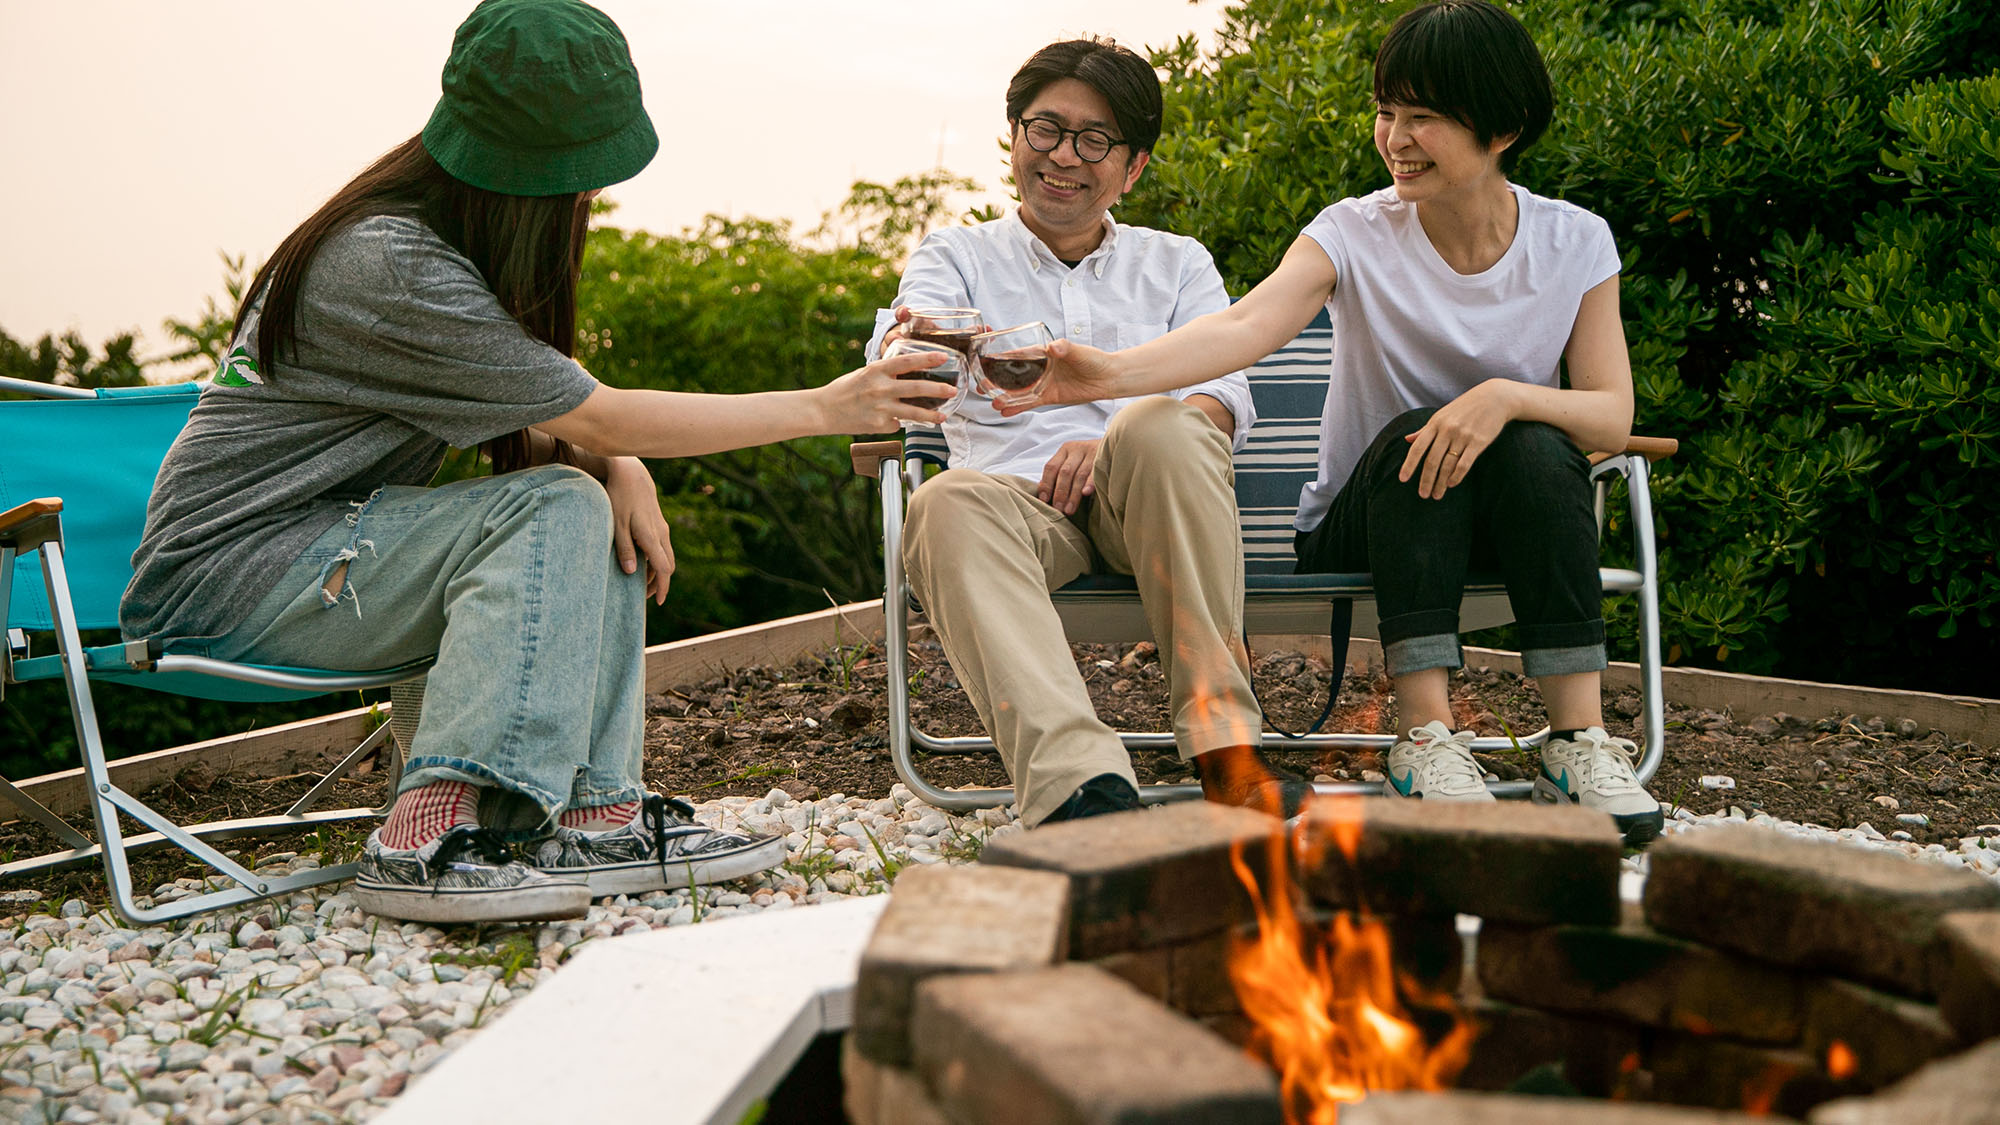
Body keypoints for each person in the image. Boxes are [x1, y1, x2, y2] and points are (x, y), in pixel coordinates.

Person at [118, 0, 955, 924]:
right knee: (556, 500)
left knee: (580, 493)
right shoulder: (386, 263)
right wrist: (828, 406)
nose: (589, 199)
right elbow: (596, 410)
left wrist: (617, 464)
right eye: (580, 178)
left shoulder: (429, 247)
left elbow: (569, 425)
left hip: (329, 559)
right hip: (234, 580)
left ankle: (599, 815)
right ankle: (426, 834)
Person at [1019, 1, 1665, 844]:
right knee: (1416, 438)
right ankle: (1425, 734)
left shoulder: (1575, 243)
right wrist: (1103, 374)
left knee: (1546, 444)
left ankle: (1577, 739)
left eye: (1423, 117)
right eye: (1387, 111)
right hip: (1366, 526)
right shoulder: (1354, 232)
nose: (1395, 136)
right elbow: (1243, 330)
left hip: (1500, 521)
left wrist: (1505, 396)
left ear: (1502, 128)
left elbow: (1611, 415)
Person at [872, 37, 1311, 831]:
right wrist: (913, 351)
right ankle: (1081, 786)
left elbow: (1221, 399)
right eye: (1045, 129)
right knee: (942, 503)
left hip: (1148, 501)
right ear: (1013, 137)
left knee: (1161, 423)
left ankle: (1228, 753)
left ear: (1133, 166)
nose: (1063, 156)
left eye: (1094, 139)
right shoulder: (957, 255)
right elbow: (910, 359)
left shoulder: (1176, 264)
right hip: (1016, 511)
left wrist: (1112, 437)